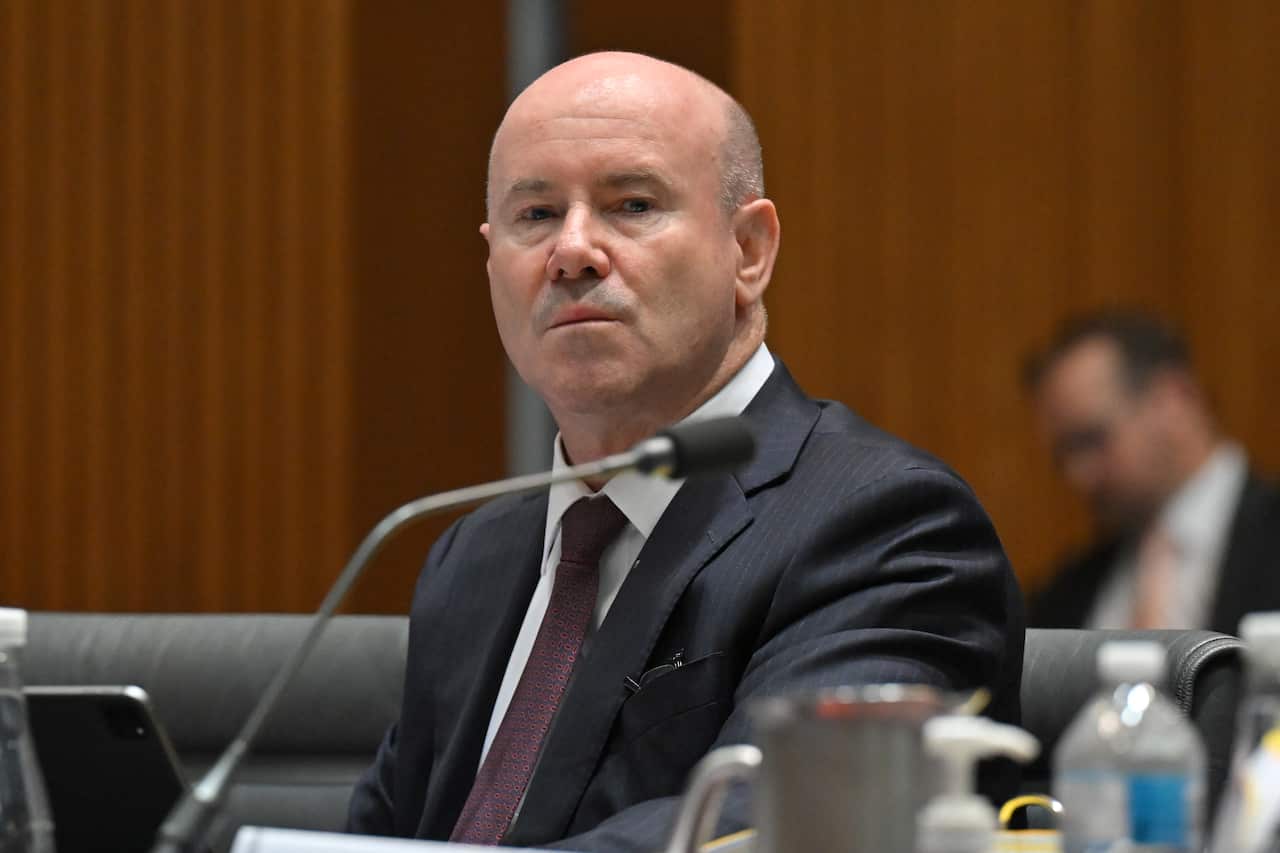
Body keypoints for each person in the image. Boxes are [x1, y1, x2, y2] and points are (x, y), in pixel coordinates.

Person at [347, 51, 1023, 851]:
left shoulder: (887, 524)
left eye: (631, 204)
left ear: (749, 250)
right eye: (535, 216)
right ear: (492, 261)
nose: (572, 251)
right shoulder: (472, 560)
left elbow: (788, 822)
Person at [1024, 310, 1280, 632]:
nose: (1078, 475)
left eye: (1092, 440)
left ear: (1173, 399)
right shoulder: (1068, 589)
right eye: (1064, 456)